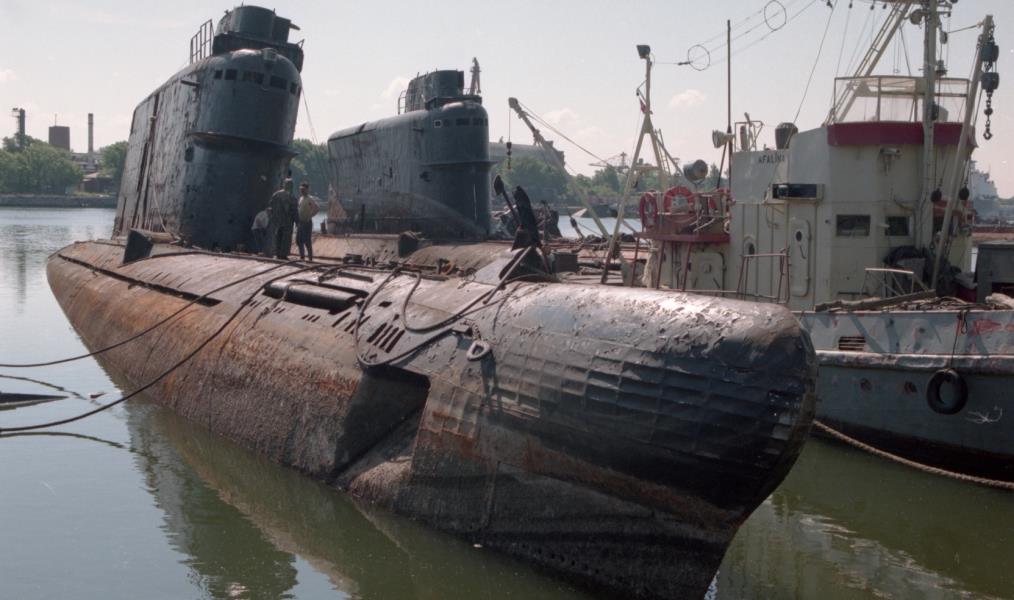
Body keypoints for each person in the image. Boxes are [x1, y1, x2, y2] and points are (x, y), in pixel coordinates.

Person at [267, 178, 296, 259]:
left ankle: (277, 253)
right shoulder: (291, 197)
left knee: (278, 237)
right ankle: (283, 254)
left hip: (277, 221)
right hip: (287, 222)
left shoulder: (276, 194)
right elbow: (294, 210)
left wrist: (273, 218)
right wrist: (297, 221)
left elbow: (270, 207)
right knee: (286, 238)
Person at [296, 181, 320, 261]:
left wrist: (310, 216)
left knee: (307, 241)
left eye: (303, 189)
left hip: (307, 223)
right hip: (300, 222)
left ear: (307, 190)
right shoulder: (301, 198)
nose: (302, 191)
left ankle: (310, 258)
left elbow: (316, 209)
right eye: (301, 189)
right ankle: (302, 256)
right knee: (299, 240)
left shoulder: (310, 199)